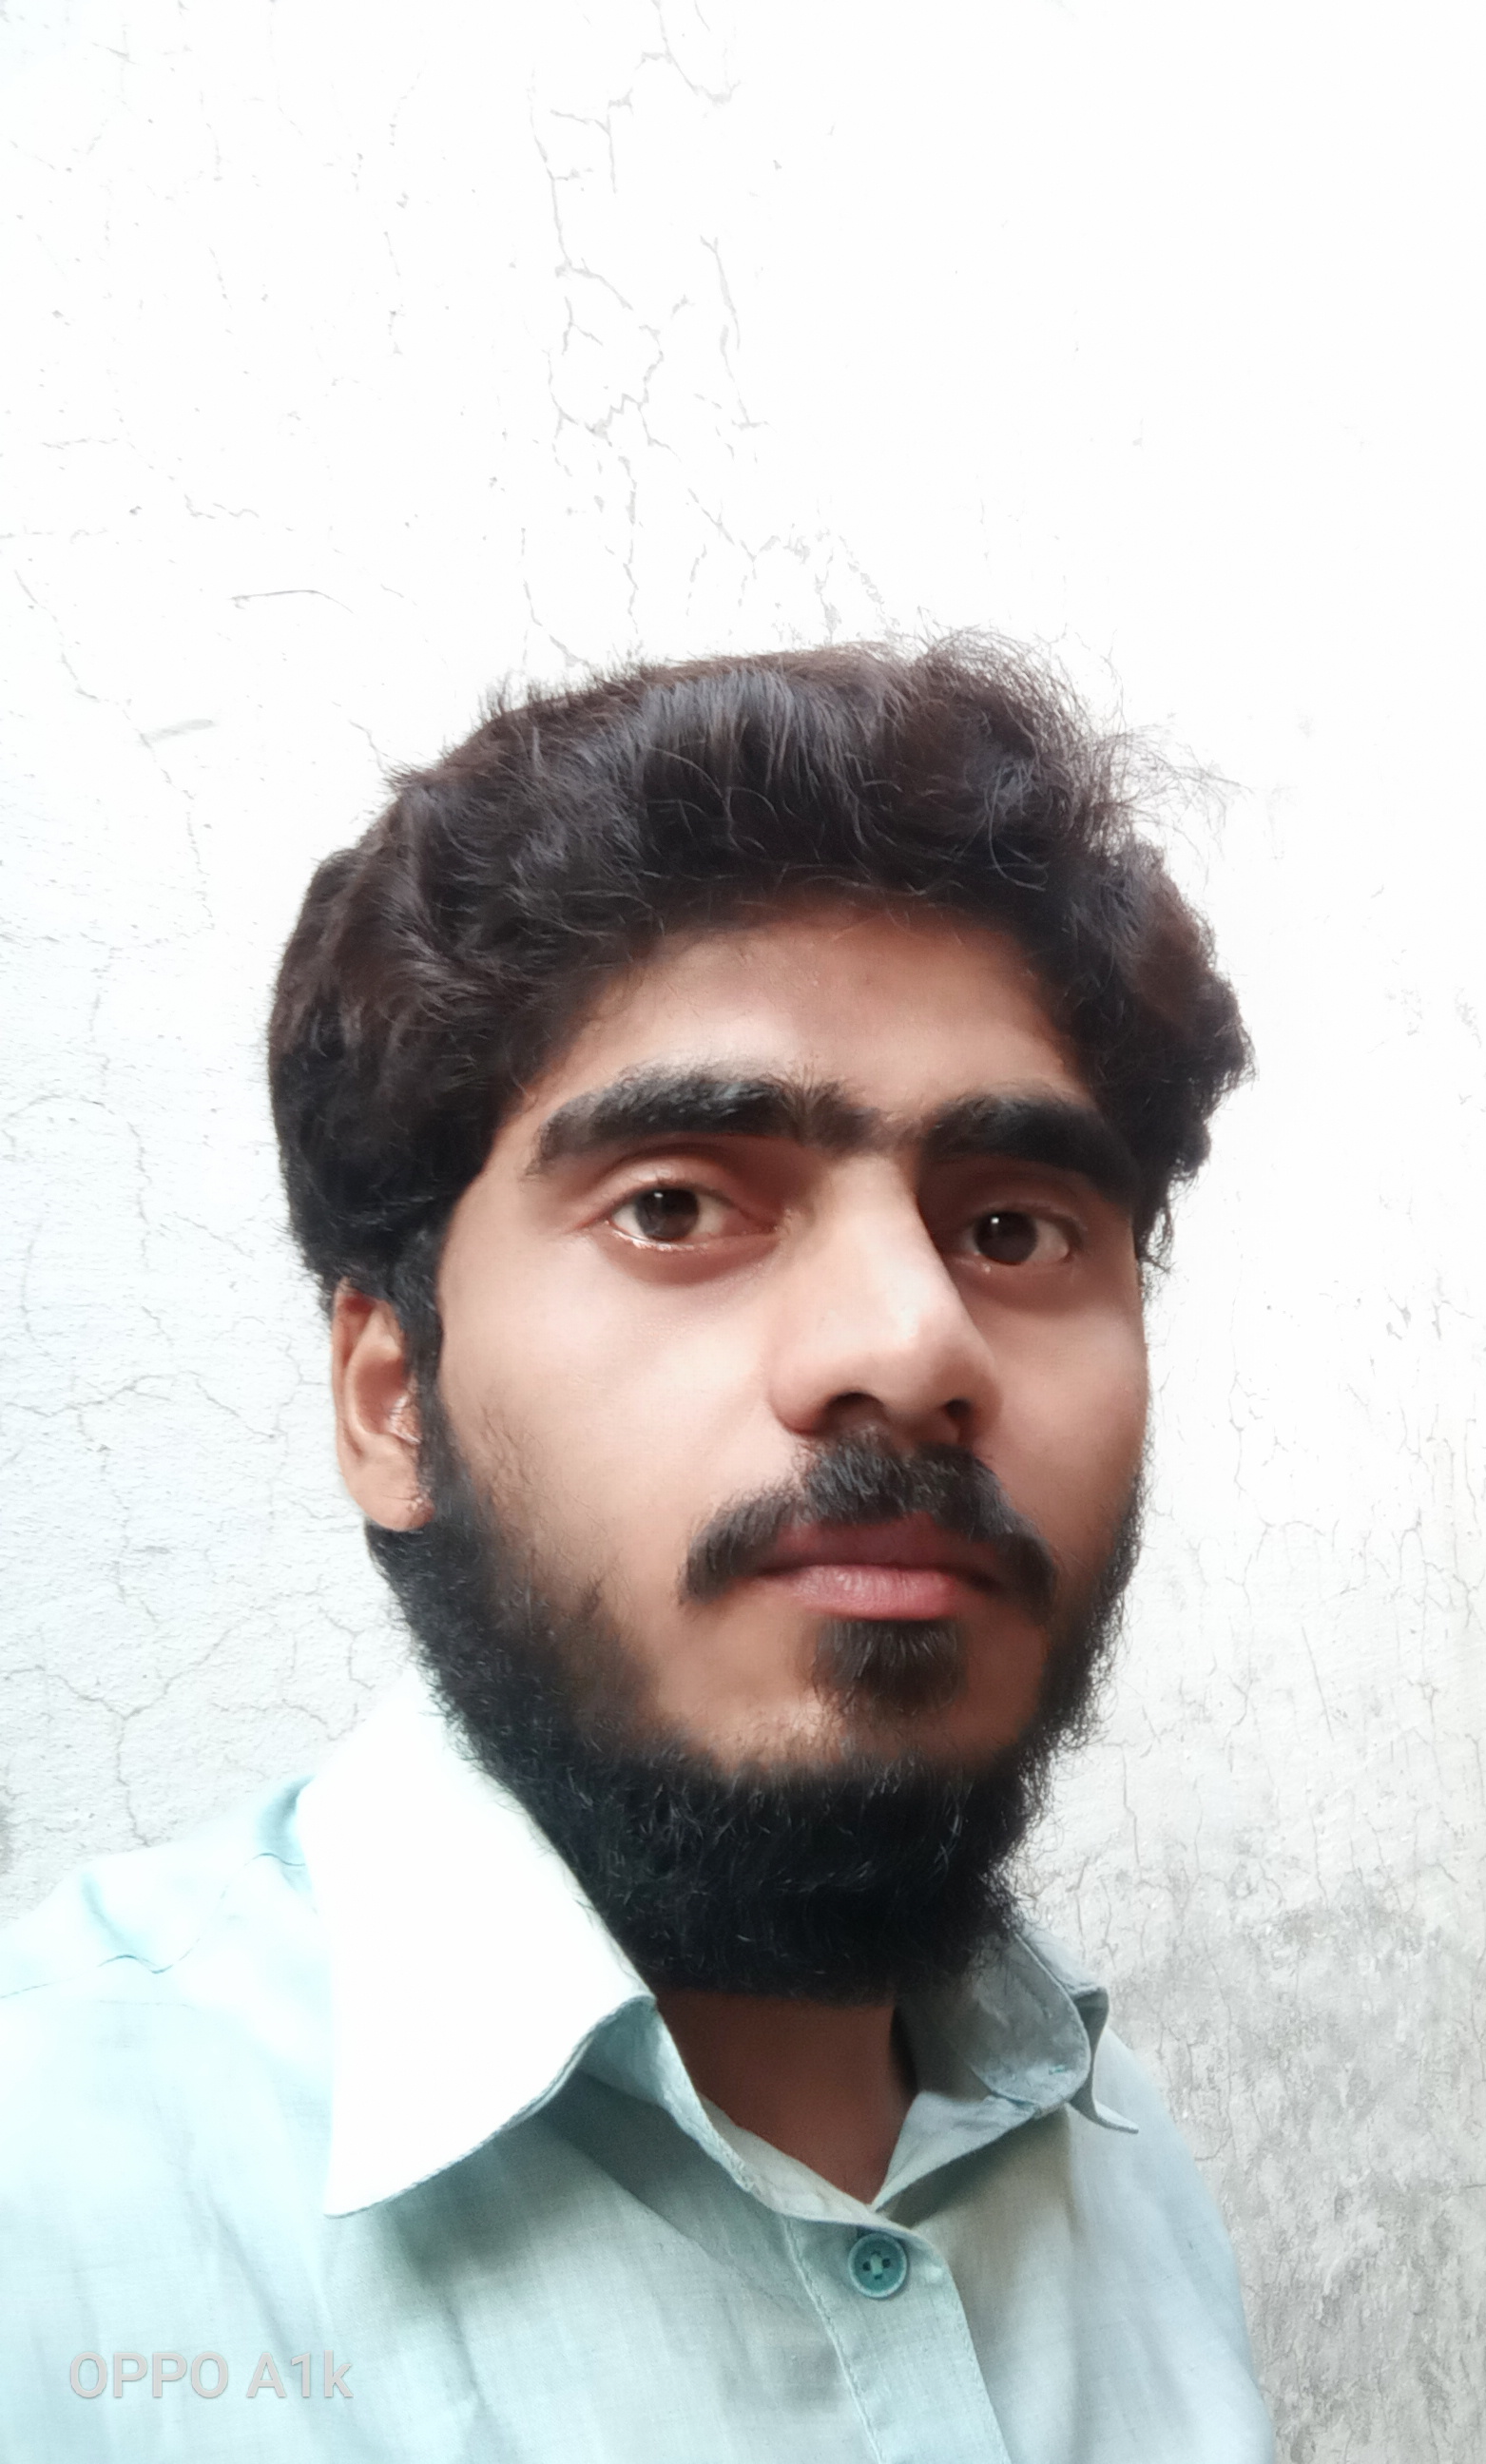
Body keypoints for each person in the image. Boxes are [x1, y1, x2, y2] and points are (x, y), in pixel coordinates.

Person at [0, 639, 1274, 2460]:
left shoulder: (1110, 2148)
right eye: (675, 1205)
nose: (914, 1344)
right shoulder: (54, 2201)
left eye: (1013, 1229)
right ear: (391, 1398)